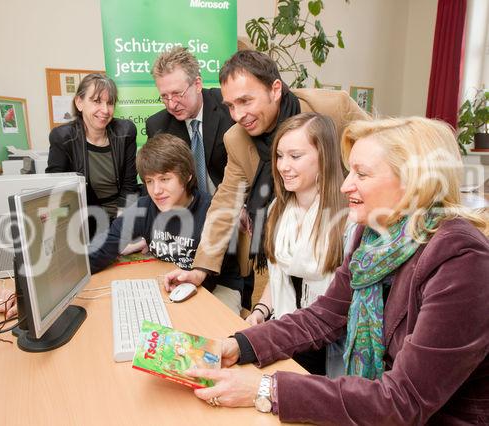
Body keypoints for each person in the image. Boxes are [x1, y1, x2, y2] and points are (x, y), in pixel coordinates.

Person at [184, 117, 489, 424]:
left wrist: (267, 389)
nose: (345, 185)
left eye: (362, 174)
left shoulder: (462, 259)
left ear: (414, 182)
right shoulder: (369, 235)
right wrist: (241, 344)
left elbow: (404, 400)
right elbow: (324, 316)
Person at [164, 50, 368, 292]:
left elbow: (385, 150)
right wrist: (200, 270)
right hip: (278, 251)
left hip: (341, 242)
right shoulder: (237, 138)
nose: (238, 115)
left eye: (245, 101)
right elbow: (226, 202)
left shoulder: (331, 109)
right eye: (230, 105)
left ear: (275, 89)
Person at [245, 112, 351, 376]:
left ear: (324, 158)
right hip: (286, 332)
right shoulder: (277, 210)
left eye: (295, 156)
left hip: (330, 346)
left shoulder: (349, 219)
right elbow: (280, 274)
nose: (282, 166)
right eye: (280, 156)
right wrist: (260, 311)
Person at [88, 134, 243, 314]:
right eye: (149, 181)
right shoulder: (144, 208)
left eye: (164, 179)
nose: (156, 191)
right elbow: (104, 247)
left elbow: (209, 277)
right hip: (174, 285)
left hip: (218, 287)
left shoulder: (212, 211)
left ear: (187, 176)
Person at [46, 73, 139, 237]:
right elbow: (57, 194)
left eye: (110, 103)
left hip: (123, 215)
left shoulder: (126, 132)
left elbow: (129, 185)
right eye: (96, 101)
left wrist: (121, 229)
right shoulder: (63, 138)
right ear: (79, 102)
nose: (105, 110)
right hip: (84, 221)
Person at [145, 47, 234, 195]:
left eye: (177, 94)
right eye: (165, 96)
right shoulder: (157, 126)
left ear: (197, 85)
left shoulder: (228, 107)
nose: (171, 104)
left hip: (232, 201)